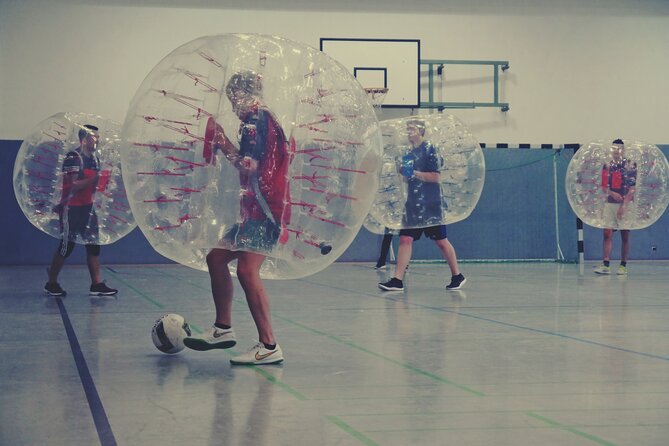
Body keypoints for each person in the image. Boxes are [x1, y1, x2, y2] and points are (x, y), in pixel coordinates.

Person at [184, 70, 289, 365]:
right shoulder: (260, 120)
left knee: (246, 271)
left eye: (233, 99)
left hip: (265, 209)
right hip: (255, 208)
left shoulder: (256, 121)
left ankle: (269, 345)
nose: (232, 107)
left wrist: (221, 141)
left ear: (245, 96)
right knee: (216, 258)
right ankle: (223, 328)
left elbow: (247, 166)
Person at [378, 120, 465, 292]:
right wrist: (401, 170)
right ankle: (397, 280)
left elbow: (436, 177)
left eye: (412, 129)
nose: (408, 132)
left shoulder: (430, 149)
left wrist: (414, 173)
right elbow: (407, 178)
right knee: (405, 238)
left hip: (431, 203)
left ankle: (457, 276)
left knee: (441, 241)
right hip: (413, 203)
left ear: (421, 131)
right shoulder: (408, 153)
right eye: (407, 129)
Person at [44, 124, 118, 297]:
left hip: (88, 208)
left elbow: (95, 187)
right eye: (93, 137)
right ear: (83, 139)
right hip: (71, 208)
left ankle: (96, 284)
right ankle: (51, 283)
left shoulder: (95, 159)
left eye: (98, 137)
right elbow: (73, 186)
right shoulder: (73, 157)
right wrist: (98, 178)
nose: (97, 140)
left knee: (94, 245)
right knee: (66, 247)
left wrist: (107, 181)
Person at [594, 139, 637, 275]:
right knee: (607, 233)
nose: (616, 151)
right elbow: (603, 187)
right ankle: (606, 264)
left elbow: (632, 188)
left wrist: (624, 206)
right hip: (610, 203)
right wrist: (612, 193)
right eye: (614, 148)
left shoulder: (630, 165)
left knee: (625, 235)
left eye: (619, 148)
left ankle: (623, 265)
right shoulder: (607, 166)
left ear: (623, 150)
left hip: (626, 204)